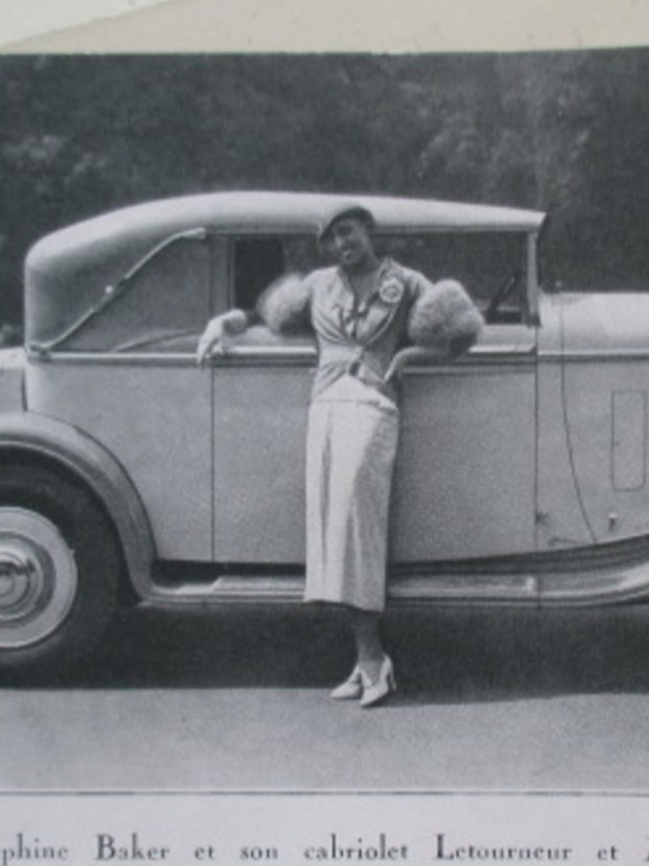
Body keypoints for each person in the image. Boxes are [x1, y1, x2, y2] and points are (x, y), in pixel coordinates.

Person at [196, 203, 479, 708]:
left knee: (355, 525)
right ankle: (363, 660)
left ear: (368, 231)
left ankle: (375, 659)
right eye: (331, 237)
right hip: (324, 405)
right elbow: (267, 314)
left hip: (373, 405)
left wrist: (407, 357)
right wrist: (225, 321)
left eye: (347, 232)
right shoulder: (320, 284)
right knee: (330, 530)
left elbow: (461, 332)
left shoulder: (405, 281)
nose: (341, 243)